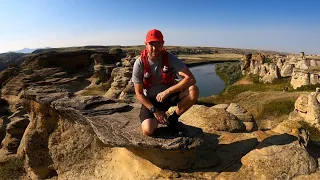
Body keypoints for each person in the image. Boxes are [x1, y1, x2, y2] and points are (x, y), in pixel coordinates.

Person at [132, 29, 199, 136]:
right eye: (151, 44)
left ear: (162, 44)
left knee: (193, 90)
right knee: (148, 130)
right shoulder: (139, 63)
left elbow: (191, 79)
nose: (155, 48)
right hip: (151, 101)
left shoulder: (170, 58)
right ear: (146, 45)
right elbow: (139, 94)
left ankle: (173, 119)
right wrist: (155, 111)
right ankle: (158, 118)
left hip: (168, 96)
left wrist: (167, 92)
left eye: (158, 44)